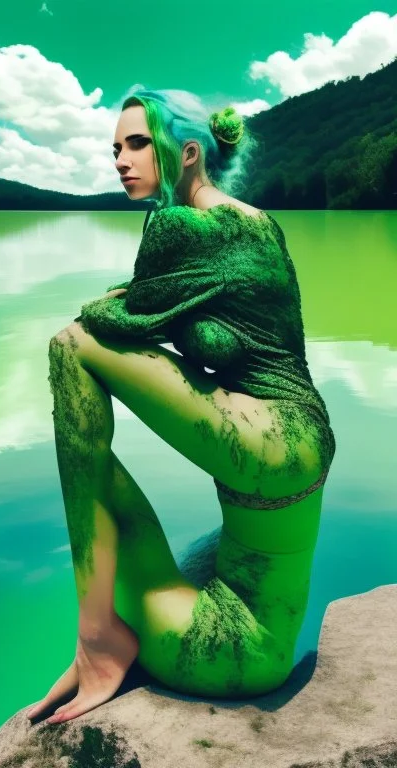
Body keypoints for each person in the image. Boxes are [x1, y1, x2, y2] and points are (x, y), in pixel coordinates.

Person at [26, 88, 336, 725]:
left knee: (69, 349)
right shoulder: (252, 220)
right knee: (115, 495)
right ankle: (100, 637)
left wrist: (116, 299)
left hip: (224, 656)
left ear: (188, 152)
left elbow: (112, 317)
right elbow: (171, 306)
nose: (121, 158)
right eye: (115, 147)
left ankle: (96, 641)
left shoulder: (175, 224)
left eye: (138, 143)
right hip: (299, 434)